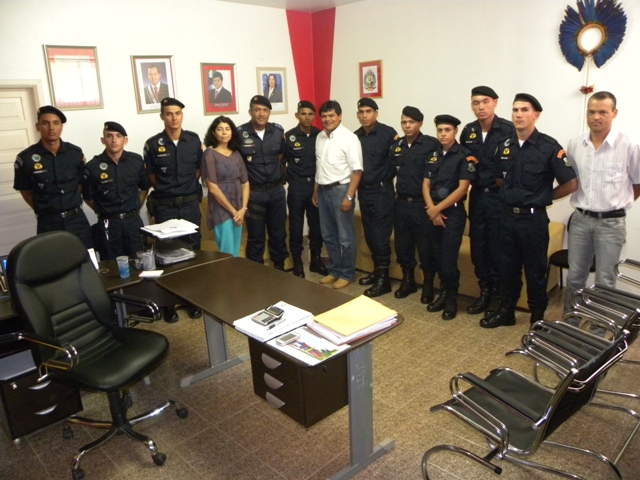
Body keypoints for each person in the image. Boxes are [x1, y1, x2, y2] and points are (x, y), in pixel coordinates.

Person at [481, 94, 578, 329]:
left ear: (536, 115)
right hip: (506, 217)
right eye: (515, 110)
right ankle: (507, 312)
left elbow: (571, 184)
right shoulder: (504, 146)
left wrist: (543, 197)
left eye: (524, 110)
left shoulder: (549, 147)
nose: (518, 114)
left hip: (533, 221)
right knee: (507, 268)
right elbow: (499, 178)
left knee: (535, 271)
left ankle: (537, 317)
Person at [564, 91, 640, 313]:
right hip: (580, 220)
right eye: (591, 112)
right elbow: (572, 180)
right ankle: (571, 321)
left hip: (611, 224)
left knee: (605, 281)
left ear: (614, 113)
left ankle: (599, 328)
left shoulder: (628, 145)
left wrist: (618, 204)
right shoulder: (575, 144)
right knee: (575, 277)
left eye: (602, 112)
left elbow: (638, 182)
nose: (596, 117)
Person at [144, 97, 203, 322]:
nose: (174, 118)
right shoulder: (152, 144)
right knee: (166, 255)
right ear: (162, 116)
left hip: (189, 204)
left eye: (177, 113)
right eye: (169, 114)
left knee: (192, 253)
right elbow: (152, 176)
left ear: (182, 115)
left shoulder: (193, 140)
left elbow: (198, 170)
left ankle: (192, 300)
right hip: (166, 206)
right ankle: (168, 304)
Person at [460, 86, 515, 315]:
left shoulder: (509, 130)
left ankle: (500, 296)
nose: (480, 107)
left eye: (485, 102)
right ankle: (485, 291)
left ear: (495, 102)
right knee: (479, 247)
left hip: (499, 198)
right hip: (477, 197)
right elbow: (464, 165)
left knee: (498, 247)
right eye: (476, 103)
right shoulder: (469, 131)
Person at [13, 105, 93, 249]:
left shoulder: (75, 153)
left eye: (56, 123)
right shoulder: (26, 158)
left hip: (77, 221)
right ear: (38, 126)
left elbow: (80, 183)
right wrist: (47, 208)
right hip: (48, 223)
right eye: (45, 123)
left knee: (86, 258)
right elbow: (25, 190)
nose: (51, 128)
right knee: (53, 261)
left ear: (61, 127)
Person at [423, 115, 476, 320]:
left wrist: (437, 209)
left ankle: (452, 298)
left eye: (447, 130)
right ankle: (443, 294)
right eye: (440, 130)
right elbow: (425, 184)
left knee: (448, 260)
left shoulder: (465, 155)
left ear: (455, 132)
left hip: (452, 214)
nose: (443, 134)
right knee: (437, 257)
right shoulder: (433, 154)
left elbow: (462, 189)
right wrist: (432, 209)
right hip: (433, 212)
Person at [390, 107, 440, 302]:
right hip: (402, 204)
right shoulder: (397, 146)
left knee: (426, 247)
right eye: (404, 122)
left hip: (422, 205)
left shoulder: (431, 144)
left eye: (411, 122)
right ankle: (408, 280)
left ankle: (428, 284)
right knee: (403, 246)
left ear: (420, 124)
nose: (407, 126)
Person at [313, 100, 363, 289]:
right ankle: (334, 270)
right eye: (324, 116)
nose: (327, 119)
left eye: (331, 115)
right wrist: (316, 191)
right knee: (328, 235)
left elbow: (357, 170)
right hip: (323, 190)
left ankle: (347, 274)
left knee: (345, 237)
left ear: (340, 116)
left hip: (341, 190)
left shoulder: (349, 138)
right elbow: (319, 167)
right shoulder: (320, 137)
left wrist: (349, 196)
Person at [83, 122, 150, 260]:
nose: (114, 140)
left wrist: (136, 206)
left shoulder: (136, 161)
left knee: (138, 261)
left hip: (132, 222)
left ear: (125, 140)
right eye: (109, 136)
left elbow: (144, 187)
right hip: (108, 224)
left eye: (118, 136)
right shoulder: (93, 166)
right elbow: (88, 197)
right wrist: (105, 210)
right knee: (111, 265)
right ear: (103, 140)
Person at [237, 95, 288, 268]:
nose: (261, 114)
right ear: (250, 112)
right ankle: (256, 274)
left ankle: (279, 269)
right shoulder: (240, 133)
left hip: (276, 191)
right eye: (257, 110)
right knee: (256, 237)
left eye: (265, 110)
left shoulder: (278, 131)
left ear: (269, 113)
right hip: (254, 194)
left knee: (278, 234)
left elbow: (281, 155)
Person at [354, 98, 398, 297]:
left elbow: (399, 160)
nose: (365, 115)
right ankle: (377, 271)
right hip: (364, 192)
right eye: (361, 112)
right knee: (370, 234)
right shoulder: (355, 137)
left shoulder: (388, 134)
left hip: (382, 191)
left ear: (376, 113)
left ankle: (384, 279)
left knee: (380, 236)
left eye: (369, 111)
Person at [284, 100, 328, 278]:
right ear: (297, 115)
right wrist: (290, 179)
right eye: (303, 114)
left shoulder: (320, 135)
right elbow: (280, 161)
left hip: (316, 186)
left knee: (316, 225)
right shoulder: (289, 136)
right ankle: (297, 262)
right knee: (296, 226)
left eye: (310, 114)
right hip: (297, 186)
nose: (307, 117)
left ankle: (316, 260)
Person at [201, 116, 249, 257]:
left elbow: (245, 183)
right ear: (213, 133)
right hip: (221, 209)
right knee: (227, 252)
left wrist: (243, 209)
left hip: (239, 207)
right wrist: (233, 212)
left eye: (227, 129)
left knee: (235, 251)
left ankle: (234, 273)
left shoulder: (237, 154)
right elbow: (213, 188)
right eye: (220, 129)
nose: (224, 132)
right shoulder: (209, 154)